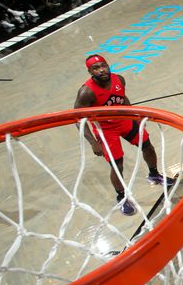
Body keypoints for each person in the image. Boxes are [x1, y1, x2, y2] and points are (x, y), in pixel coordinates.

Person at [74, 55, 174, 216]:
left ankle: (154, 175)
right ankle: (122, 197)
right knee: (117, 165)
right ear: (90, 72)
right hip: (105, 129)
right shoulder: (86, 92)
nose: (102, 70)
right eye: (96, 68)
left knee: (147, 145)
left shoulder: (119, 79)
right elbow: (79, 119)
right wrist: (93, 142)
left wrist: (134, 115)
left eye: (104, 66)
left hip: (124, 120)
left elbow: (123, 99)